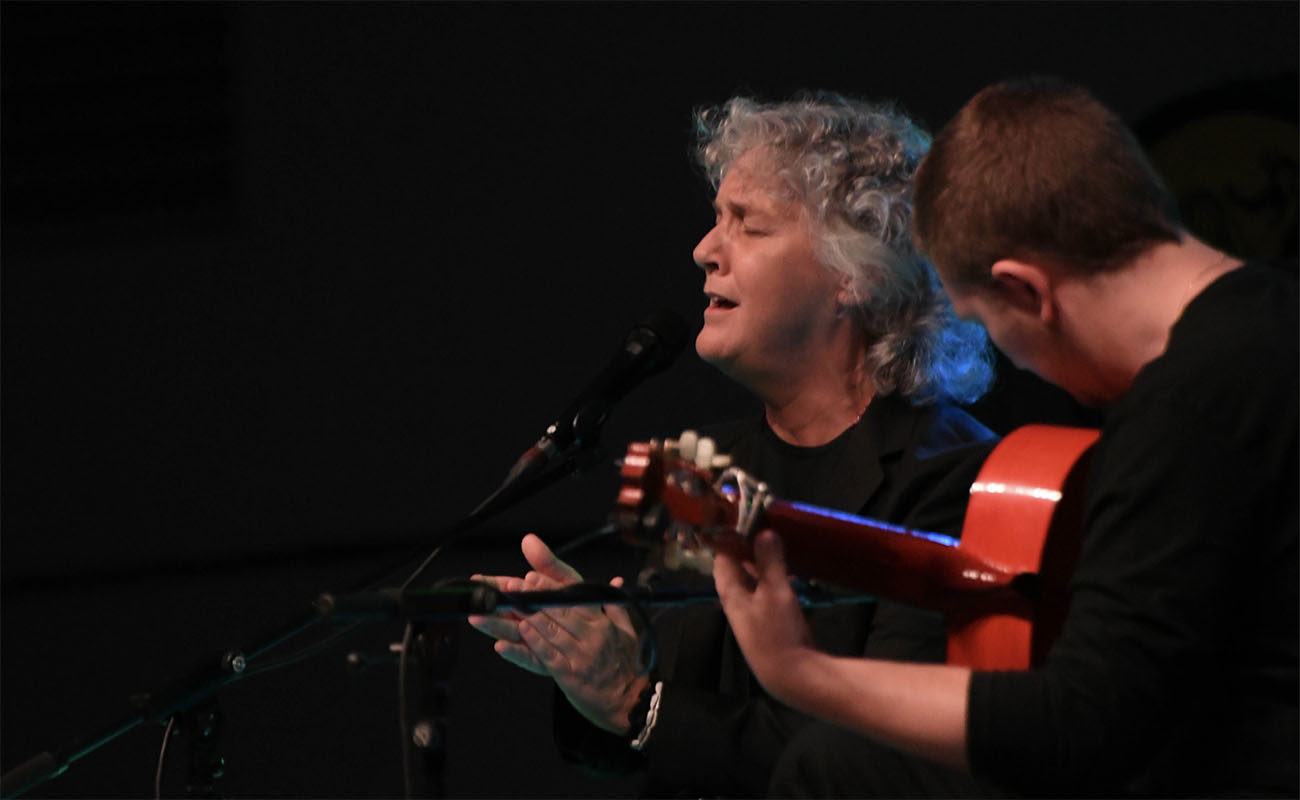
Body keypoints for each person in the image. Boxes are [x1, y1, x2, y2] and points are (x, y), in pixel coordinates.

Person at [712, 77, 1299, 797]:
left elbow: (1082, 724)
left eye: (990, 326)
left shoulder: (1185, 409)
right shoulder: (1272, 322)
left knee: (832, 772)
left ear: (1025, 290)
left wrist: (802, 672)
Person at [468, 93, 998, 797]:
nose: (704, 251)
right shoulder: (695, 468)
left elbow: (885, 763)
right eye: (716, 220)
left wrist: (635, 700)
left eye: (747, 226)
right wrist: (593, 666)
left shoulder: (957, 478)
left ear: (854, 273)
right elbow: (651, 745)